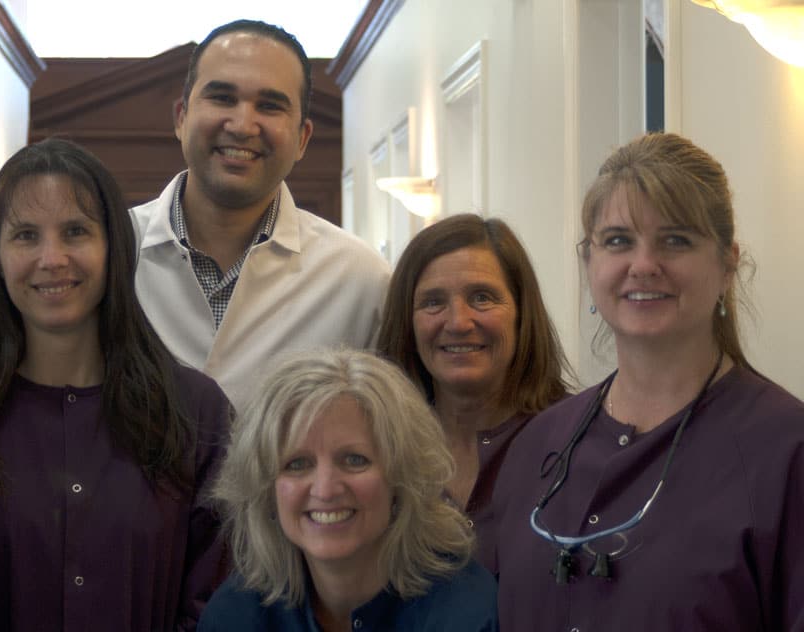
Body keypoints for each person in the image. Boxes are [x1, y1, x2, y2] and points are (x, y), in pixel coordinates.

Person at [0, 138, 231, 631]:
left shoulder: (198, 413)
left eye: (75, 232)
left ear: (114, 247)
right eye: (26, 235)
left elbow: (217, 602)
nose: (52, 258)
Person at [492, 132, 804, 631]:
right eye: (618, 241)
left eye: (675, 240)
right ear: (588, 262)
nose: (643, 265)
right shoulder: (536, 448)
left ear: (727, 265)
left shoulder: (786, 451)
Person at [130, 19, 390, 412]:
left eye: (269, 106)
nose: (241, 125)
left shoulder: (360, 279)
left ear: (302, 138)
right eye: (222, 97)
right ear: (181, 117)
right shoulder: (114, 250)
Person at [200, 348, 498, 631]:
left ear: (402, 480)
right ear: (266, 489)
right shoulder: (235, 615)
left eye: (355, 460)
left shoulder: (468, 614)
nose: (326, 490)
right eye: (297, 464)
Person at [376, 213, 570, 568]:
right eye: (433, 302)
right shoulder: (379, 451)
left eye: (482, 297)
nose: (458, 323)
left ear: (521, 313)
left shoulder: (577, 441)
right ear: (407, 321)